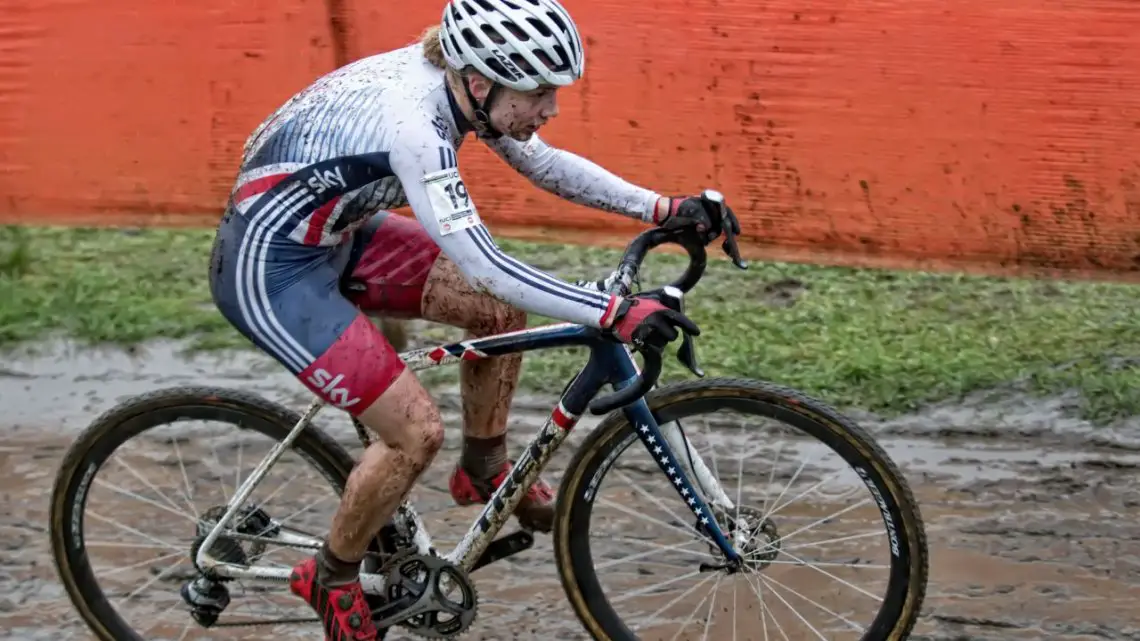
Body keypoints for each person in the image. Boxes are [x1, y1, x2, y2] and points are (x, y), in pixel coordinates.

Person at [206, 0, 741, 638]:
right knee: (413, 433)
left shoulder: (462, 84)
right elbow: (485, 261)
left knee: (494, 312)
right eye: (540, 92)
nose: (551, 108)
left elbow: (538, 161)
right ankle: (331, 575)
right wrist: (614, 311)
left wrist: (662, 206)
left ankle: (483, 467)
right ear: (482, 81)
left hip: (337, 232)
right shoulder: (416, 127)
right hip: (274, 270)